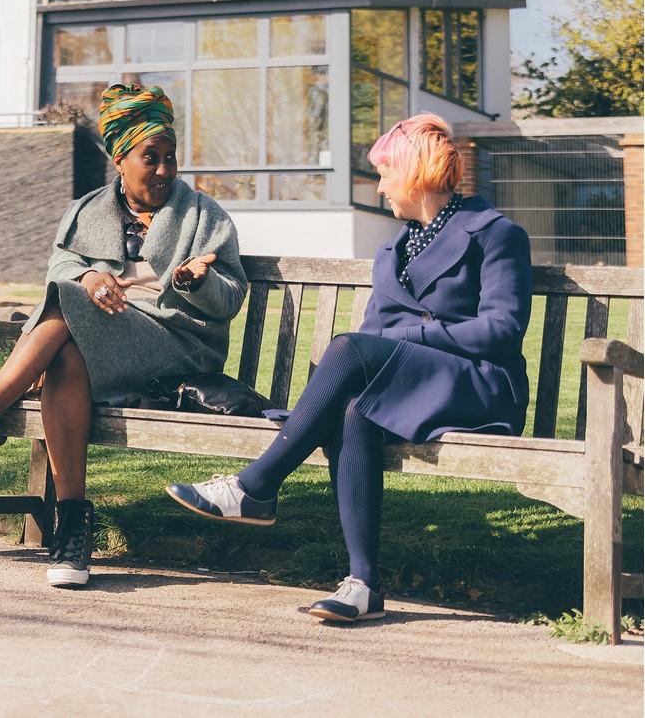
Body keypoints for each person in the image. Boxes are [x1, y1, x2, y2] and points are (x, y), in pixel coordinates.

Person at [166, 112, 532, 623]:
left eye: (384, 173)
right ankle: (363, 585)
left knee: (346, 349)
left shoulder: (495, 234)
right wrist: (388, 348)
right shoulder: (392, 251)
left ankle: (257, 486)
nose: (380, 188)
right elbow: (372, 337)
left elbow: (503, 330)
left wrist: (412, 335)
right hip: (409, 385)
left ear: (413, 173)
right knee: (352, 408)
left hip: (478, 385)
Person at [0, 83, 247, 588]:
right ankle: (72, 528)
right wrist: (90, 277)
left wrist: (192, 281)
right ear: (120, 159)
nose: (163, 170)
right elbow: (63, 266)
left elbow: (232, 296)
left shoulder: (204, 216)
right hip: (104, 345)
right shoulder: (88, 211)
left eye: (170, 158)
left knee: (64, 305)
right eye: (150, 158)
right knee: (65, 355)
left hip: (178, 346)